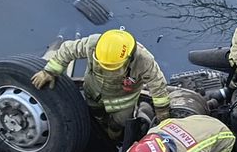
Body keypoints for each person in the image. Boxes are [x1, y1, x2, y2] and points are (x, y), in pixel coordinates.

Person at [30, 29, 171, 140]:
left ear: (128, 59)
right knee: (94, 113)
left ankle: (113, 135)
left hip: (124, 102)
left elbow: (157, 85)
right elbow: (68, 50)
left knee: (119, 124)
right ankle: (99, 124)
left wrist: (162, 112)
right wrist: (49, 71)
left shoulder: (144, 61)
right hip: (93, 92)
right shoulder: (93, 44)